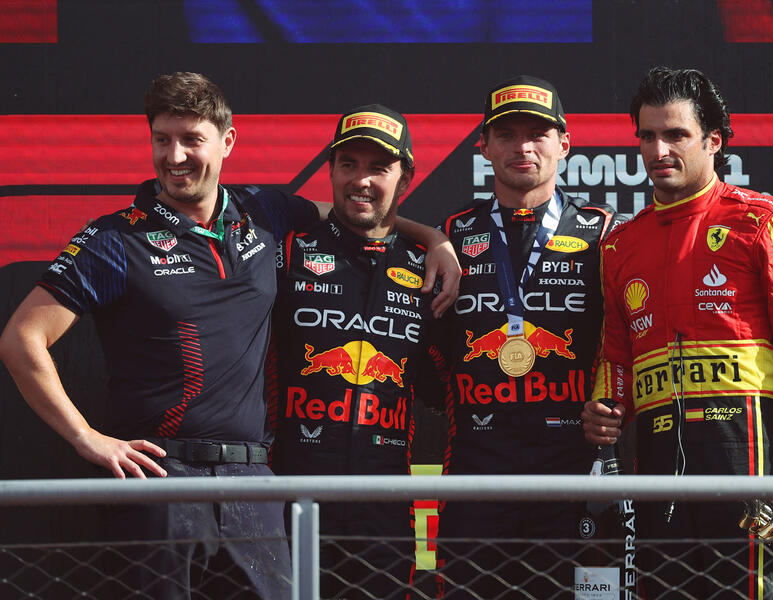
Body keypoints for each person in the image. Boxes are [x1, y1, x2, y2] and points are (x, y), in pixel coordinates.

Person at [0, 72, 459, 599]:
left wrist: (435, 238)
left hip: (256, 480)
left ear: (227, 142)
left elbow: (357, 216)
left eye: (192, 139)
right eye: (162, 139)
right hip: (162, 477)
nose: (175, 156)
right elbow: (21, 339)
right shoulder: (113, 239)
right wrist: (88, 439)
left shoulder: (265, 212)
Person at [583, 66, 773, 599]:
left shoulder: (767, 221)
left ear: (713, 141)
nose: (658, 149)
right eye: (647, 136)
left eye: (676, 134)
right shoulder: (619, 246)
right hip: (656, 461)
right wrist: (603, 406)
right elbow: (617, 352)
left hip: (745, 450)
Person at [433, 75, 626, 599]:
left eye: (538, 133)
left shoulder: (603, 231)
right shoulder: (451, 235)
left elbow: (635, 337)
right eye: (507, 134)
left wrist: (614, 404)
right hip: (478, 470)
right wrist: (426, 237)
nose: (523, 146)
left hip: (572, 471)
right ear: (485, 146)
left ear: (565, 144)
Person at [270, 104, 441, 599]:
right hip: (289, 490)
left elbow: (443, 384)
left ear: (405, 178)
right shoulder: (286, 252)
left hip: (384, 496)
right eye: (348, 164)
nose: (360, 180)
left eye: (378, 168)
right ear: (330, 170)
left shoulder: (428, 269)